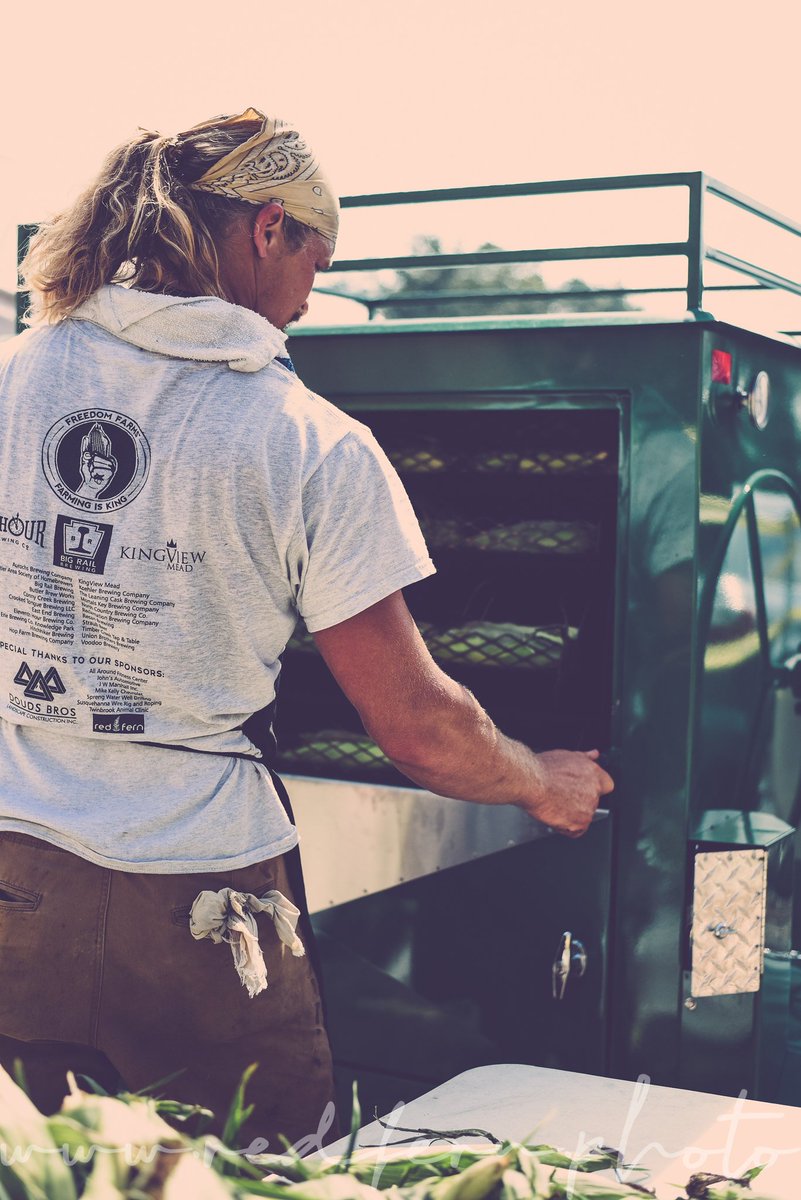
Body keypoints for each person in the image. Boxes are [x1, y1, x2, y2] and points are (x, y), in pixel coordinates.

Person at [0, 108, 613, 1147]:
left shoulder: (13, 378)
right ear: (267, 228)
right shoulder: (305, 440)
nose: (310, 296)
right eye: (314, 263)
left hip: (17, 870)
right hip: (198, 901)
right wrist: (540, 781)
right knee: (260, 1167)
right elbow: (418, 729)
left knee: (42, 1166)